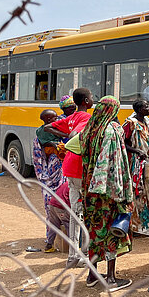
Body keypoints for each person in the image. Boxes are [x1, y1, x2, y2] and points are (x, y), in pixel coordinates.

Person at [80, 96, 134, 292]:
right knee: (112, 231)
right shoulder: (112, 130)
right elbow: (116, 165)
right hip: (107, 192)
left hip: (88, 191)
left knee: (93, 231)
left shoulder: (89, 129)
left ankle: (92, 274)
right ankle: (111, 279)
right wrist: (122, 194)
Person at [44, 87, 94, 267]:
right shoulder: (87, 117)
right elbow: (75, 135)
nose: (92, 99)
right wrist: (72, 137)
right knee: (84, 212)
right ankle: (84, 255)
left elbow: (48, 127)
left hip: (69, 166)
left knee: (75, 212)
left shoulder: (70, 118)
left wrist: (66, 135)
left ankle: (72, 257)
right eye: (91, 97)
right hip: (80, 167)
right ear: (86, 102)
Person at [123, 99, 149, 236]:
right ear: (139, 109)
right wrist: (136, 151)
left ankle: (146, 225)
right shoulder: (130, 123)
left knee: (147, 193)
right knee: (138, 193)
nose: (148, 108)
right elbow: (123, 142)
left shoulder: (145, 122)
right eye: (146, 107)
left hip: (146, 163)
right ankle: (136, 227)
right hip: (136, 164)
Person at [33, 109, 66, 253]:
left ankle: (57, 241)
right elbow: (40, 158)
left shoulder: (58, 129)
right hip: (49, 174)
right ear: (47, 120)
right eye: (53, 117)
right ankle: (52, 241)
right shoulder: (42, 134)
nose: (57, 118)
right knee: (52, 207)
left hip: (60, 173)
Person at [46, 181, 71, 251]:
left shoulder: (67, 183)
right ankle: (73, 249)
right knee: (69, 225)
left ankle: (49, 245)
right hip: (60, 207)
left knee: (53, 226)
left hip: (52, 204)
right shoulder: (75, 186)